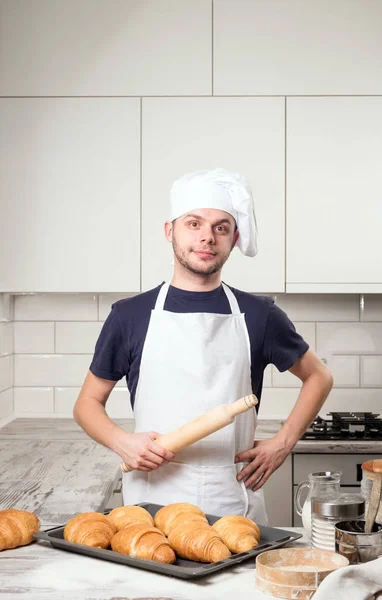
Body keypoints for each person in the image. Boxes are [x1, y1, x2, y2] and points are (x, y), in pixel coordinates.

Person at [73, 168, 333, 525]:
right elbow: (87, 404)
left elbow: (319, 376)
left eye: (220, 227)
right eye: (193, 224)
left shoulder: (260, 315)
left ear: (232, 238)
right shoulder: (129, 315)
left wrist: (283, 443)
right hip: (151, 505)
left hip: (233, 505)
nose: (207, 238)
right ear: (170, 231)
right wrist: (121, 441)